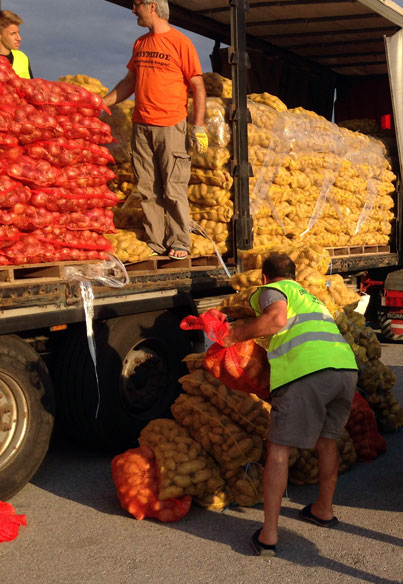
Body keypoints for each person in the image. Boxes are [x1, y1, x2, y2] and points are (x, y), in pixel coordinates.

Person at [224, 253, 359, 557]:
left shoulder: (274, 290)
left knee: (279, 450)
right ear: (296, 276)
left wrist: (234, 334)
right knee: (328, 442)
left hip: (305, 373)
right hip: (345, 370)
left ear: (263, 278)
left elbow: (275, 319)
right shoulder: (310, 298)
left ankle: (269, 535)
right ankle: (323, 509)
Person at [103, 0, 208, 259]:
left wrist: (199, 126)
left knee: (173, 187)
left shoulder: (180, 42)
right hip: (141, 125)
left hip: (171, 124)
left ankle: (180, 241)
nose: (132, 10)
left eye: (136, 4)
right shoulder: (140, 43)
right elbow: (130, 82)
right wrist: (100, 103)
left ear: (152, 6)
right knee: (148, 188)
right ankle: (156, 242)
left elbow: (198, 86)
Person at [0, 10, 32, 79]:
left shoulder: (22, 58)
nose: (19, 38)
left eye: (18, 33)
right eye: (13, 33)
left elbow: (31, 88)